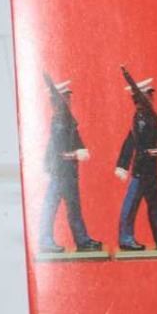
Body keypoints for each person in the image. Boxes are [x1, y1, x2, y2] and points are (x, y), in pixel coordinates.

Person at [114, 75, 157, 251]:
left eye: (151, 95)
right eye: (149, 95)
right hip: (142, 170)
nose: (152, 98)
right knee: (131, 205)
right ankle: (126, 238)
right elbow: (138, 146)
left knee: (155, 206)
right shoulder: (141, 120)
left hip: (151, 170)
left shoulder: (150, 118)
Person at [37, 79, 101, 253]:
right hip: (60, 173)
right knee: (51, 206)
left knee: (73, 208)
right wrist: (76, 154)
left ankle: (82, 240)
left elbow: (76, 141)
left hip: (69, 173)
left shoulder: (67, 121)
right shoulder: (59, 123)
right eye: (65, 97)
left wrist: (81, 149)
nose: (69, 100)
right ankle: (46, 240)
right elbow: (60, 153)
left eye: (68, 97)